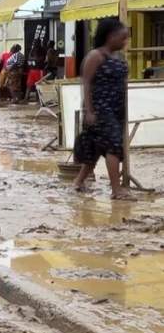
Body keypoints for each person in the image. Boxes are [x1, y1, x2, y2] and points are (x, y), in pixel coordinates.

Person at [73, 19, 132, 200]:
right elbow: (87, 83)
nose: (124, 42)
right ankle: (116, 190)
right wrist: (89, 111)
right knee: (113, 146)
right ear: (110, 36)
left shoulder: (118, 57)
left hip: (116, 110)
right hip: (101, 110)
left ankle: (78, 182)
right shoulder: (95, 56)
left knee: (96, 148)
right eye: (122, 38)